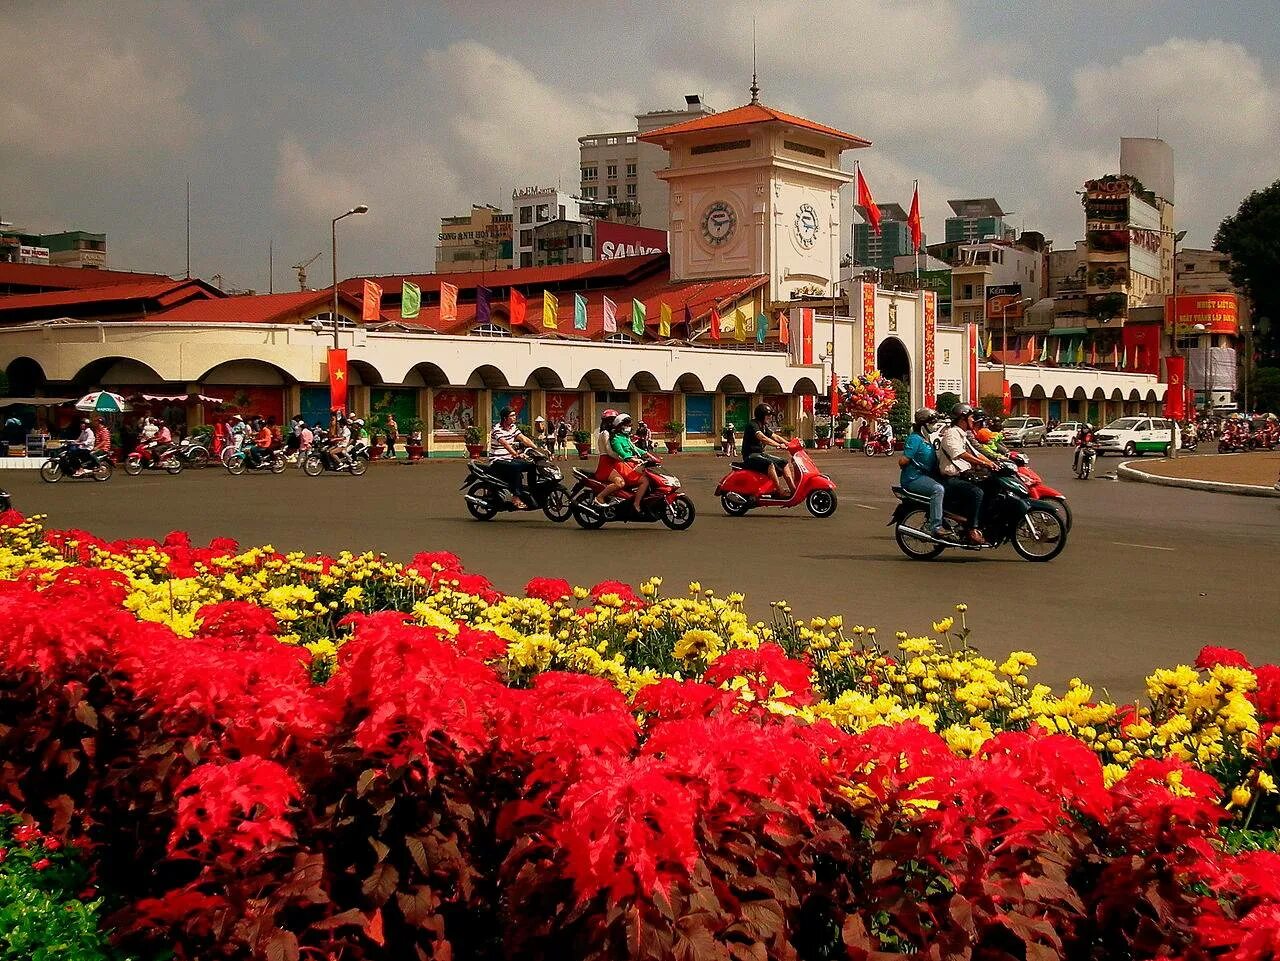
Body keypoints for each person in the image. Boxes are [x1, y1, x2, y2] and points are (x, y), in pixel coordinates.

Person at [937, 404, 998, 544]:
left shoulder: (962, 435)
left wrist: (993, 463)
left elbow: (976, 453)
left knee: (992, 486)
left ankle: (984, 522)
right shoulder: (951, 433)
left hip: (964, 475)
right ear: (962, 418)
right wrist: (984, 464)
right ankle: (972, 528)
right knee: (977, 492)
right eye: (970, 417)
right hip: (952, 478)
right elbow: (960, 453)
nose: (973, 420)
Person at [899, 408, 950, 540]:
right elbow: (903, 461)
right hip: (913, 478)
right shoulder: (915, 439)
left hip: (927, 476)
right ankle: (936, 526)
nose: (934, 426)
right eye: (931, 423)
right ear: (923, 425)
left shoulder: (927, 440)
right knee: (938, 490)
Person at [488, 406, 541, 509]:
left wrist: (537, 449)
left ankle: (532, 491)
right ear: (504, 418)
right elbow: (505, 444)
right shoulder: (497, 429)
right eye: (511, 416)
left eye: (514, 415)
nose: (514, 417)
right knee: (516, 468)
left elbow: (524, 439)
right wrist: (516, 454)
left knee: (532, 465)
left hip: (509, 459)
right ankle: (516, 497)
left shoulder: (513, 427)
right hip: (497, 461)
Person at [742, 403, 794, 498]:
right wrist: (778, 445)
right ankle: (780, 491)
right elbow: (762, 438)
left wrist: (789, 443)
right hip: (750, 456)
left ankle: (793, 489)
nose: (770, 417)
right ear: (762, 415)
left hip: (760, 454)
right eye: (768, 415)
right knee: (770, 464)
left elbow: (775, 436)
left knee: (784, 462)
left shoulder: (764, 426)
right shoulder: (752, 425)